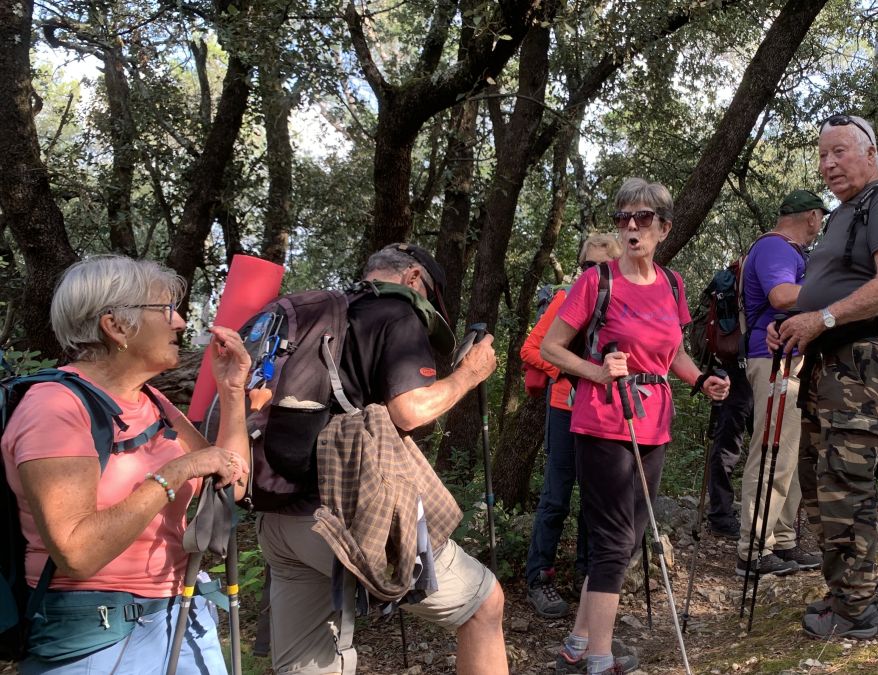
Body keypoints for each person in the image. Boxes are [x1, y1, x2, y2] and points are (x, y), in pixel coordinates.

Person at [256, 243, 507, 675]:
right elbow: (410, 410)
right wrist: (470, 373)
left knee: (308, 662)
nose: (425, 303)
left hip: (276, 515)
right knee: (484, 604)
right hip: (341, 520)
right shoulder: (397, 312)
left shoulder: (324, 315)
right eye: (428, 293)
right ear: (412, 278)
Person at [1, 255, 251, 673]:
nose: (181, 322)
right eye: (165, 310)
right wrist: (174, 473)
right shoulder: (55, 407)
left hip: (179, 613)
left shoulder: (151, 401)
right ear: (115, 325)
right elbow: (77, 554)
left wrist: (231, 392)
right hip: (98, 633)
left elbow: (232, 484)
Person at [542, 178, 730, 675]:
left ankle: (578, 644)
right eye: (624, 217)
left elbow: (676, 353)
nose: (630, 226)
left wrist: (701, 379)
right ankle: (601, 661)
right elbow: (551, 348)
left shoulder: (672, 284)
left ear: (663, 228)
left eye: (642, 218)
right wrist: (597, 372)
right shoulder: (596, 281)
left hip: (655, 423)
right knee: (612, 539)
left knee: (627, 536)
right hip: (603, 419)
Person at [770, 114, 878, 640]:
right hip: (826, 364)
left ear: (871, 151)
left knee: (844, 484)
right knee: (818, 480)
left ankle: (857, 612)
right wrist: (798, 327)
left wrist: (822, 319)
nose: (828, 163)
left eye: (839, 152)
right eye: (821, 155)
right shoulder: (842, 214)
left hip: (863, 363)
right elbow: (825, 292)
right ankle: (852, 587)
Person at [519, 233, 621, 618]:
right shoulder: (565, 299)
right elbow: (531, 348)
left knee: (594, 498)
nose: (588, 273)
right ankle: (539, 578)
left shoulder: (617, 302)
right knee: (556, 496)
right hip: (564, 409)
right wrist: (571, 373)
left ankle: (587, 576)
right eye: (584, 266)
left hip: (601, 412)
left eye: (597, 267)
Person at [734, 189, 827, 578]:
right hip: (773, 360)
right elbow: (781, 295)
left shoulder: (788, 251)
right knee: (772, 449)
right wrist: (836, 291)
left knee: (791, 451)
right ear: (810, 216)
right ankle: (754, 548)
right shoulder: (776, 248)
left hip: (791, 359)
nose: (820, 226)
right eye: (820, 218)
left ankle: (783, 539)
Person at [704, 363, 751, 539]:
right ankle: (721, 517)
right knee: (726, 446)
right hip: (735, 369)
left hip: (758, 366)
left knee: (764, 446)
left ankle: (726, 517)